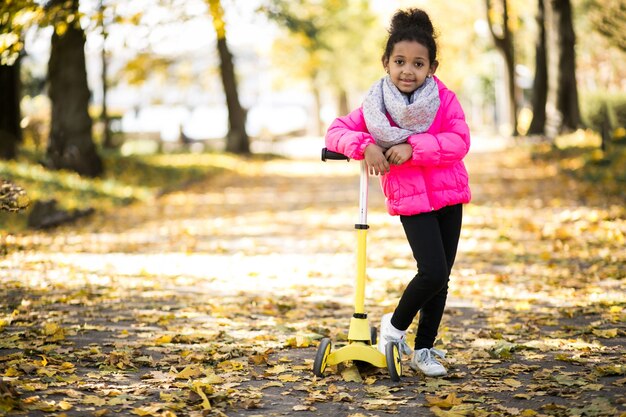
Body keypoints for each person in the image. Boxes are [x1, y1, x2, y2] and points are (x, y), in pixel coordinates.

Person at [325, 8, 471, 377]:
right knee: (432, 271)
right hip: (410, 198)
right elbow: (336, 132)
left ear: (432, 68)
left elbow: (459, 139)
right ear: (386, 63)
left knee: (442, 278)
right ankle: (394, 327)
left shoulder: (444, 99)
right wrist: (365, 146)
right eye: (400, 61)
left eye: (418, 64)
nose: (409, 70)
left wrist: (415, 147)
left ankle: (424, 350)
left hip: (449, 195)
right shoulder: (375, 106)